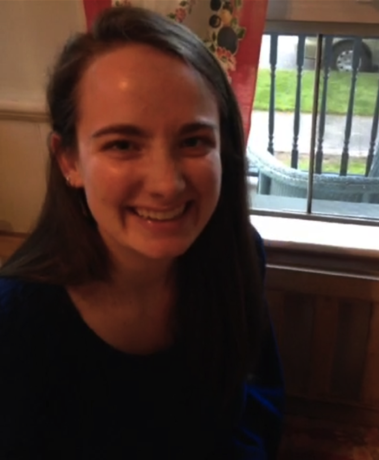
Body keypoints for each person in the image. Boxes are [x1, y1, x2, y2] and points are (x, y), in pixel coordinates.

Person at [0, 5, 284, 459]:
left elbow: (253, 406)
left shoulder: (238, 253)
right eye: (123, 144)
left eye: (193, 141)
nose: (166, 184)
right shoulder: (15, 324)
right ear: (69, 160)